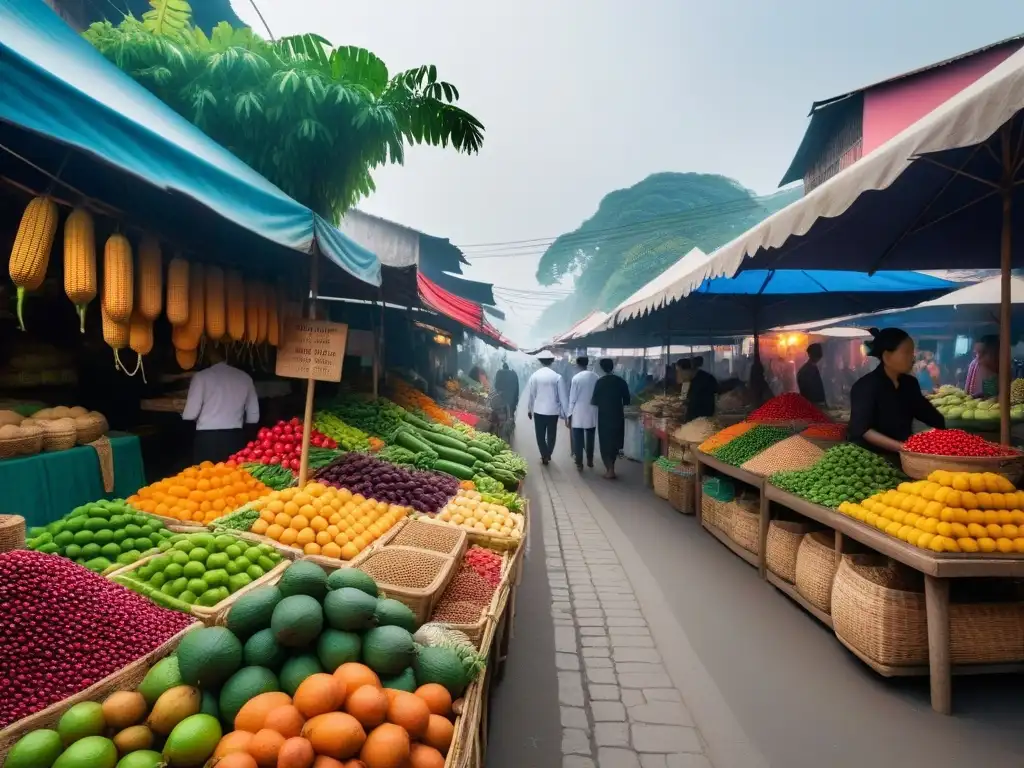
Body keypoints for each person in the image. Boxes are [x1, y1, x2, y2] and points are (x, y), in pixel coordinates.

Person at [848, 327, 945, 462]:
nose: (913, 358)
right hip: (869, 461)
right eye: (907, 353)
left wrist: (948, 433)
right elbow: (863, 430)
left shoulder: (910, 384)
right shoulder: (865, 386)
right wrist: (904, 447)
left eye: (912, 352)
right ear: (887, 356)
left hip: (903, 457)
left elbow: (928, 414)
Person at [182, 347, 260, 464]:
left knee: (205, 478)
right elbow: (253, 417)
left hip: (207, 439)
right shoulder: (245, 377)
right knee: (234, 478)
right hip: (234, 438)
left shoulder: (201, 377)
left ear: (209, 355)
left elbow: (189, 415)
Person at [525, 350, 568, 465]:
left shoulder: (535, 376)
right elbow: (563, 397)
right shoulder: (557, 377)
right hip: (553, 411)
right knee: (551, 434)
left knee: (540, 434)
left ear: (540, 361)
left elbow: (532, 395)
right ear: (552, 361)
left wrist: (529, 409)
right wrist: (567, 414)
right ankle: (548, 453)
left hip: (538, 410)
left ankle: (544, 454)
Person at [591, 358, 631, 479]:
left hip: (604, 416)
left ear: (601, 368)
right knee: (615, 440)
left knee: (605, 442)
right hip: (618, 415)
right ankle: (611, 467)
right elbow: (627, 400)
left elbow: (594, 401)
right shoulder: (621, 381)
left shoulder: (600, 382)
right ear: (612, 367)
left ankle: (610, 469)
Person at [567, 356, 599, 470]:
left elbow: (572, 399)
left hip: (578, 412)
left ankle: (579, 462)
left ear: (577, 364)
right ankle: (590, 460)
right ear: (587, 363)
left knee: (578, 438)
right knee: (590, 437)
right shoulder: (596, 377)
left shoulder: (576, 378)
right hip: (592, 411)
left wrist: (569, 414)